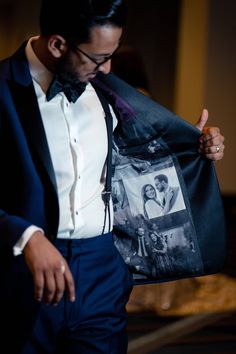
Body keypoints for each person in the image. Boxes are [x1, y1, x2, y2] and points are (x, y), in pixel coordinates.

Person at [0, 1, 225, 353]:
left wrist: (194, 145)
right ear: (58, 45)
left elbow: (141, 155)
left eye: (112, 54)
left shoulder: (106, 90)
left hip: (102, 270)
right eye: (97, 58)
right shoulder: (1, 89)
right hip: (25, 275)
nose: (107, 69)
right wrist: (26, 236)